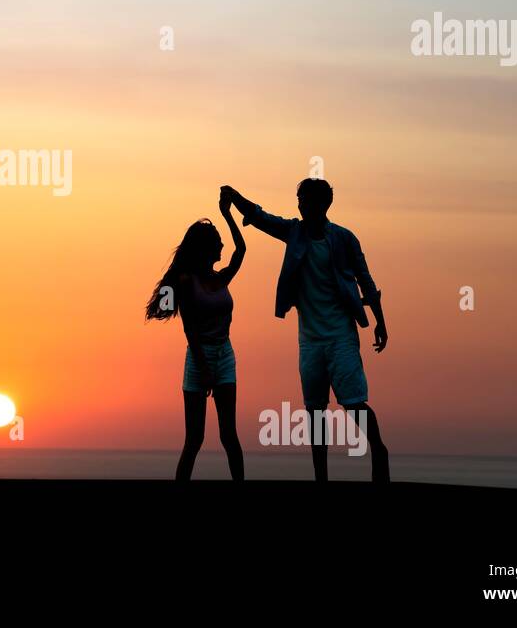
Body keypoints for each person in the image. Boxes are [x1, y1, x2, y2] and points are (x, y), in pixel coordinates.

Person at [224, 180, 391, 483]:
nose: (300, 204)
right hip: (310, 340)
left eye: (305, 199)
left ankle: (379, 450)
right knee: (315, 411)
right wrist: (235, 198)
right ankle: (320, 478)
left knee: (353, 401)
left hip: (341, 335)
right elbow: (261, 218)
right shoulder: (294, 233)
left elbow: (366, 281)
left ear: (323, 204)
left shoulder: (344, 239)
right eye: (298, 199)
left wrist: (379, 321)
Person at [145, 189, 247, 481]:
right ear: (206, 248)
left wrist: (228, 214)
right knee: (195, 439)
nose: (223, 247)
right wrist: (203, 366)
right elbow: (189, 328)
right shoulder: (186, 280)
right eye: (217, 243)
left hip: (225, 355)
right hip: (198, 357)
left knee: (229, 435)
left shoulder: (220, 277)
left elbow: (241, 251)